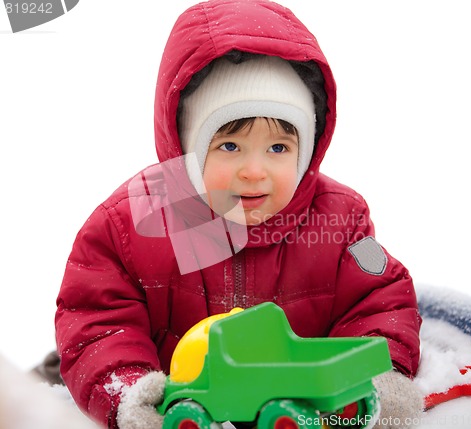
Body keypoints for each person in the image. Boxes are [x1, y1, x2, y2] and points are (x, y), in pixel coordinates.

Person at [54, 1, 423, 428]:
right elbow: (98, 320)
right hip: (189, 405)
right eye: (229, 146)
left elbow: (379, 303)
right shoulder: (135, 222)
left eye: (279, 148)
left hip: (299, 410)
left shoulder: (338, 220)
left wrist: (376, 378)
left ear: (307, 151)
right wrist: (129, 390)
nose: (254, 171)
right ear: (188, 150)